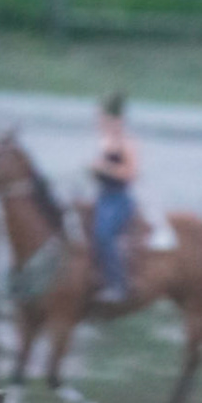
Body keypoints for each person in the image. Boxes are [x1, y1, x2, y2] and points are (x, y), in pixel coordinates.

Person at [90, 92, 140, 302]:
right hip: (103, 196)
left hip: (118, 198)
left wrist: (105, 168)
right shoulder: (106, 143)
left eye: (104, 119)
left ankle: (118, 284)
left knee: (104, 234)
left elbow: (131, 174)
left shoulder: (127, 143)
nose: (100, 123)